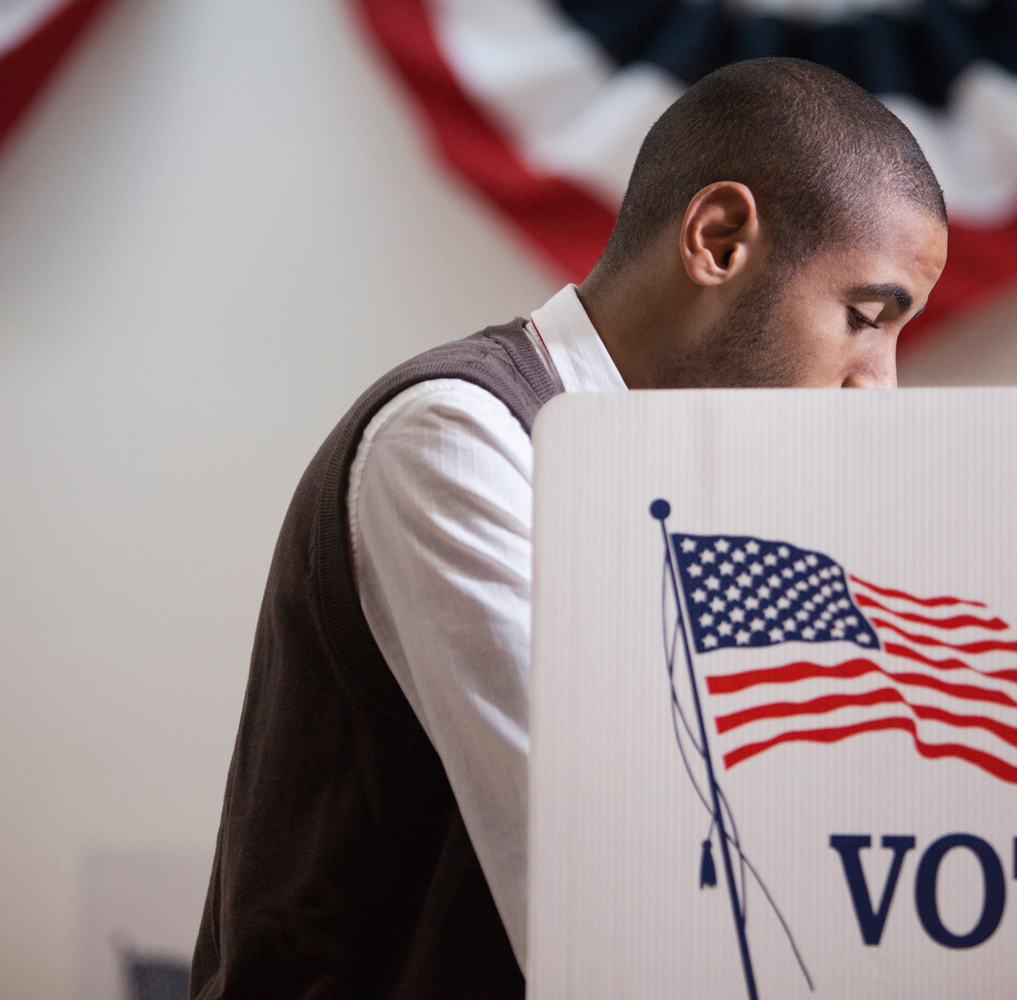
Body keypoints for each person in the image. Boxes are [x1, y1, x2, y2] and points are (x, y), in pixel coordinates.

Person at [190, 56, 947, 999]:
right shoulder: (457, 439)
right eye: (865, 318)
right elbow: (611, 897)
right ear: (717, 240)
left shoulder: (685, 492)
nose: (880, 390)